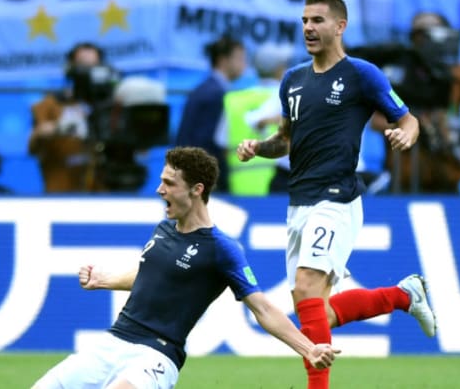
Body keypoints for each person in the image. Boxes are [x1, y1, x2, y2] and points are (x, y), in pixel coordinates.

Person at [236, 0, 436, 389]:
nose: (308, 27)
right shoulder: (292, 80)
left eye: (318, 21)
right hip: (299, 202)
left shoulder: (361, 74)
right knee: (316, 314)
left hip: (338, 197)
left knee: (308, 287)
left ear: (340, 26)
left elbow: (408, 118)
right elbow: (286, 139)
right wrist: (259, 148)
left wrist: (405, 136)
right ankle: (403, 296)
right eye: (305, 20)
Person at [31, 146, 338, 389]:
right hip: (112, 341)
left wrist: (308, 349)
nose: (159, 190)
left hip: (155, 355)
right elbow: (152, 276)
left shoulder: (222, 249)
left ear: (197, 189)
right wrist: (104, 279)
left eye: (168, 183)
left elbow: (263, 309)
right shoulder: (164, 228)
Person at [353, 11, 460, 194]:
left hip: (447, 173)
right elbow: (375, 121)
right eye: (419, 32)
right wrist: (412, 126)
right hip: (404, 174)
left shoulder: (458, 75)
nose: (425, 38)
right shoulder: (397, 68)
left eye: (431, 30)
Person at [29, 42, 119, 193]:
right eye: (82, 66)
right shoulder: (51, 104)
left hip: (102, 197)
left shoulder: (114, 107)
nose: (88, 73)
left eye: (93, 67)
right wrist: (59, 127)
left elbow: (141, 151)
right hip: (61, 193)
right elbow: (33, 145)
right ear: (70, 68)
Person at [175, 34, 247, 194]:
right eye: (240, 58)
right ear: (223, 60)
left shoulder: (205, 89)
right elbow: (208, 143)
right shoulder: (216, 94)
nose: (244, 64)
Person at [224, 42, 294, 195]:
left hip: (239, 187)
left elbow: (221, 145)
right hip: (280, 185)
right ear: (279, 69)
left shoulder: (232, 100)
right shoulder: (290, 96)